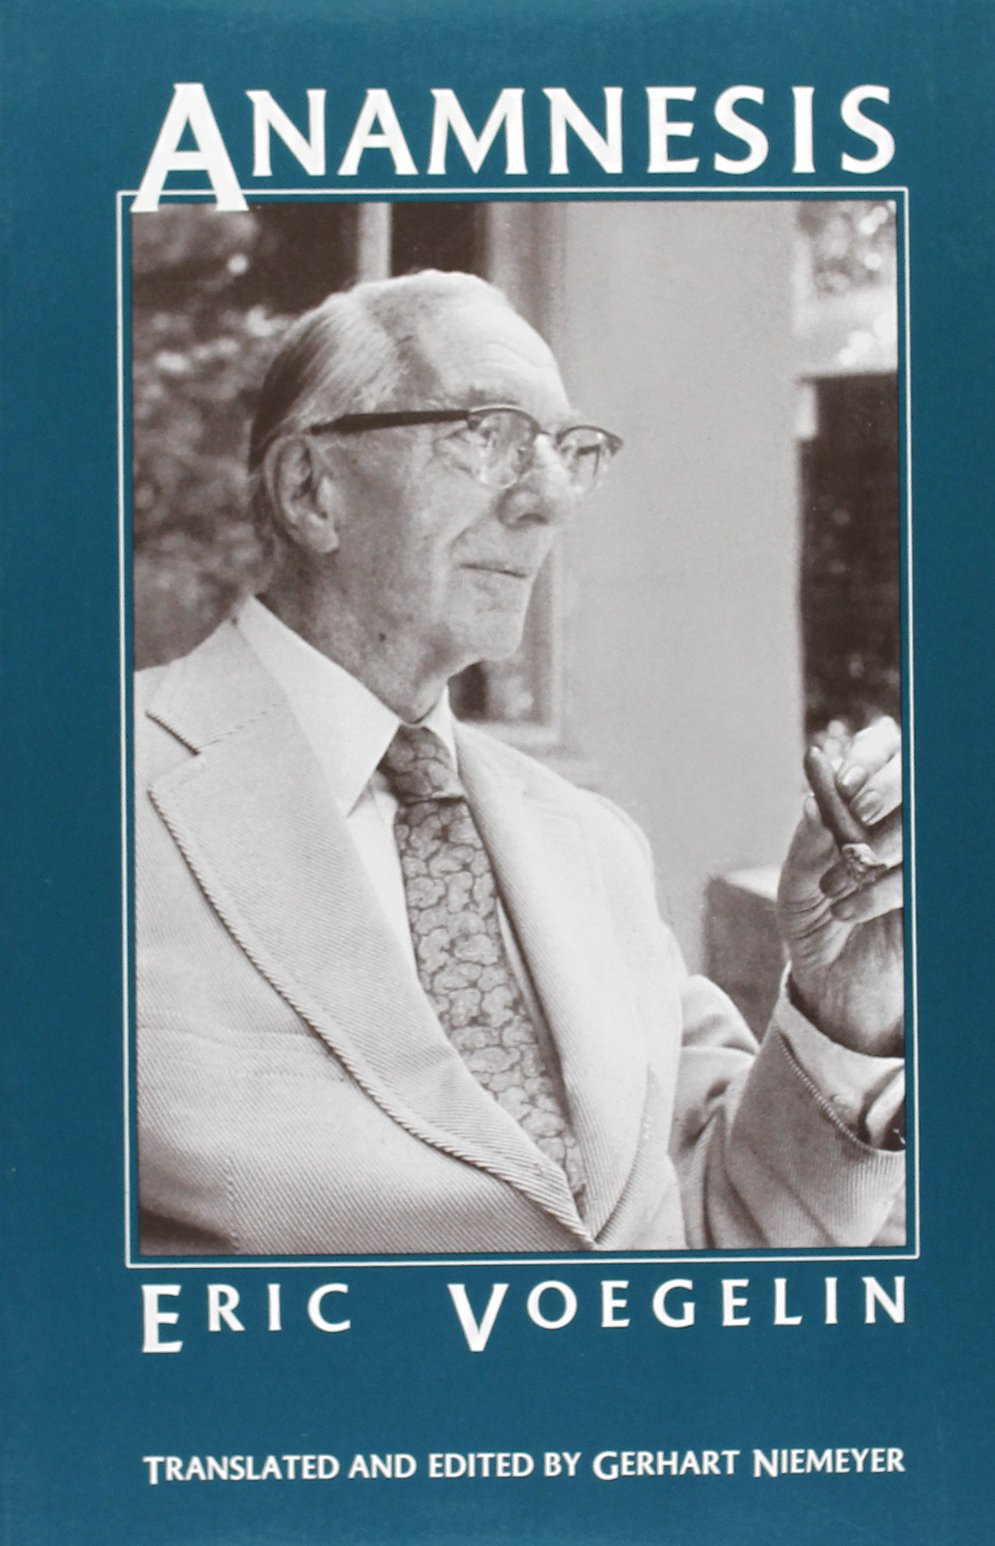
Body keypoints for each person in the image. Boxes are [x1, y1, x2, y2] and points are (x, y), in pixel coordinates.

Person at [135, 269, 905, 1256]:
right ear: (310, 489)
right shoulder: (73, 804)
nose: (547, 499)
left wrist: (839, 1009)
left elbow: (716, 1239)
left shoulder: (592, 845)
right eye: (488, 435)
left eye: (568, 451)